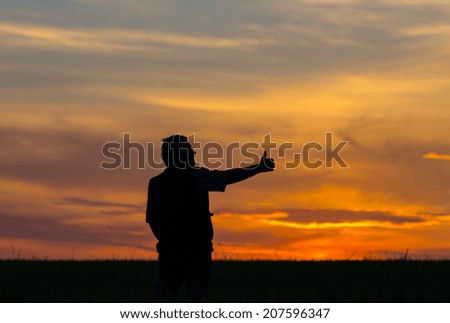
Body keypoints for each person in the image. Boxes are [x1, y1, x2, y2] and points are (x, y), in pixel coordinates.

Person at [146, 134, 275, 302]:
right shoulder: (196, 177)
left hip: (170, 253)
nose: (193, 153)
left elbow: (153, 220)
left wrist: (168, 242)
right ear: (178, 156)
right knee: (197, 299)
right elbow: (227, 177)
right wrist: (258, 168)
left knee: (164, 298)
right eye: (189, 150)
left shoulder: (156, 183)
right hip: (196, 252)